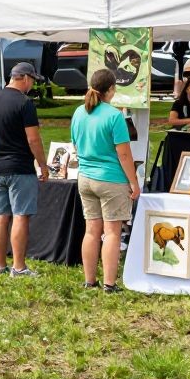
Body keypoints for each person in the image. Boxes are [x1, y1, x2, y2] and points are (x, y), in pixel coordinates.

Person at [70, 69, 140, 293]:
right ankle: (110, 284)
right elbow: (125, 155)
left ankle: (90, 281)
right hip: (111, 179)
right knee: (112, 233)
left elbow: (75, 145)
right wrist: (134, 182)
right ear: (111, 89)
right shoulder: (114, 116)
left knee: (91, 231)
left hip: (86, 177)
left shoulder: (79, 112)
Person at [0, 62, 48, 278]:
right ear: (25, 78)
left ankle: (0, 265)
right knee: (20, 216)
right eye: (32, 81)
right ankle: (19, 267)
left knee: (1, 216)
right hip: (20, 167)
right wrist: (43, 165)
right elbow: (33, 139)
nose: (32, 86)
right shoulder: (25, 103)